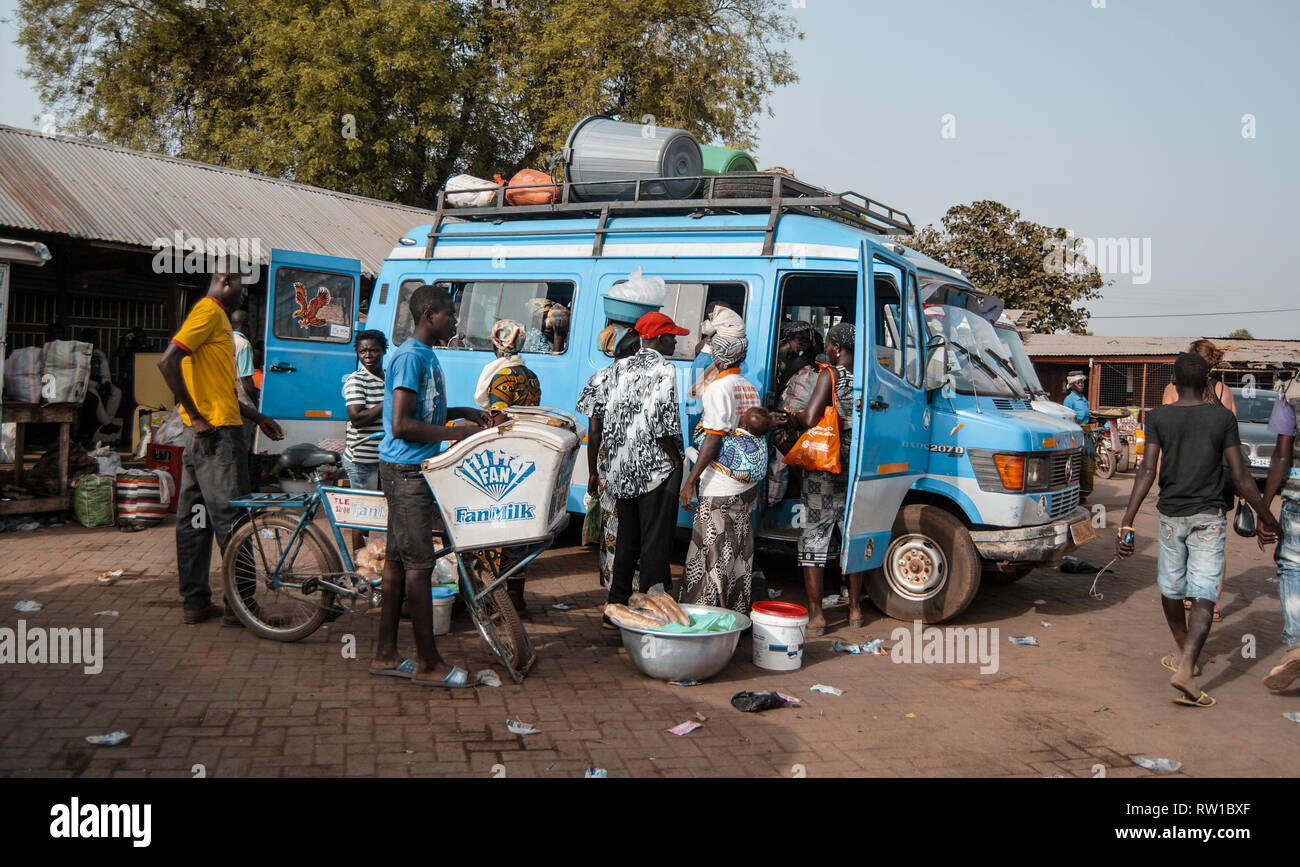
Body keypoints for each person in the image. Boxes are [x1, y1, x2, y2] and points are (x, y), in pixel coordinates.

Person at [1115, 352, 1278, 708]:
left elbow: (1146, 472)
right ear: (1208, 382)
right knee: (1204, 593)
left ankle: (1183, 654)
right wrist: (1267, 516)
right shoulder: (1222, 419)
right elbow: (1241, 476)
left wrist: (1126, 521)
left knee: (1171, 589)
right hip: (1209, 516)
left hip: (1171, 515)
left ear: (1173, 382)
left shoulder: (1159, 417)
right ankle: (1187, 666)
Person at [369, 284, 491, 687]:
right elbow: (403, 425)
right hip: (406, 473)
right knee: (419, 568)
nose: (455, 320)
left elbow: (425, 409)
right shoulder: (408, 357)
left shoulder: (425, 355)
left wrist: (459, 411)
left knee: (396, 564)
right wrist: (458, 434)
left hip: (409, 471)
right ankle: (428, 663)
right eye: (450, 314)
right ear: (429, 316)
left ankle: (386, 653)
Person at [158, 264, 285, 626]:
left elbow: (216, 388)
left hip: (203, 435)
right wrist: (196, 415)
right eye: (242, 286)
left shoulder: (214, 320)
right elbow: (167, 362)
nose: (245, 294)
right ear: (225, 280)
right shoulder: (209, 313)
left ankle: (196, 603)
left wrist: (255, 416)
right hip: (216, 436)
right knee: (234, 519)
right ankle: (240, 606)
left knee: (194, 521)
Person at [583, 310, 687, 625]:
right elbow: (664, 424)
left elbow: (594, 422)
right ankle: (650, 610)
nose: (674, 341)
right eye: (671, 336)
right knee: (655, 544)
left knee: (626, 542)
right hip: (655, 469)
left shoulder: (612, 370)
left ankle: (615, 607)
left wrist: (597, 467)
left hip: (618, 470)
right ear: (656, 337)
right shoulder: (665, 370)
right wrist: (678, 458)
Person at [678, 346, 779, 613]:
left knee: (711, 554)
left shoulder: (717, 388)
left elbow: (713, 440)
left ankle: (705, 616)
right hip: (747, 489)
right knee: (738, 555)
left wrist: (690, 481)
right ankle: (736, 614)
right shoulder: (749, 388)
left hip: (720, 488)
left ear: (718, 359)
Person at [795, 322, 863, 635]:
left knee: (815, 535)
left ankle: (818, 616)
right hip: (855, 465)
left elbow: (810, 417)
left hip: (826, 464)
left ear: (834, 347)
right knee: (851, 532)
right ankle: (854, 610)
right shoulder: (868, 378)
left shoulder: (830, 374)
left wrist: (792, 414)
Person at [1163, 339, 1237, 620]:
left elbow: (1164, 437)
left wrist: (1160, 476)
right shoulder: (1223, 391)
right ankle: (1211, 602)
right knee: (1212, 542)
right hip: (1215, 481)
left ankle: (1185, 596)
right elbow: (1233, 440)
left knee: (1179, 539)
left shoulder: (1173, 390)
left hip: (1181, 478)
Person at [472, 319, 541, 614]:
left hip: (502, 461)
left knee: (494, 529)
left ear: (496, 344)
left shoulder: (501, 378)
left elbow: (500, 420)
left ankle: (493, 600)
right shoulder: (531, 376)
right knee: (518, 531)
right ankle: (517, 598)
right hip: (524, 454)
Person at [578, 326, 643, 591]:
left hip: (609, 462)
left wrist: (592, 471)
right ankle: (637, 584)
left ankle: (613, 586)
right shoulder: (644, 378)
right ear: (631, 349)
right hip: (640, 460)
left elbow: (594, 433)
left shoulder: (599, 379)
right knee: (637, 523)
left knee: (612, 523)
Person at [1257, 383, 1300, 691]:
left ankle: (1297, 645)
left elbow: (1283, 454)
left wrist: (1265, 508)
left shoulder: (1294, 387)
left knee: (1293, 567)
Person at [766, 319, 824, 504]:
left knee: (783, 455)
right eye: (800, 339)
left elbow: (792, 404)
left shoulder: (802, 366)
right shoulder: (782, 357)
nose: (803, 344)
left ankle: (773, 498)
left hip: (787, 417)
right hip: (785, 415)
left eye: (806, 340)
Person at [342, 329, 387, 554]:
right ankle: (358, 564)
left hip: (385, 457)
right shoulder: (356, 380)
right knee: (362, 515)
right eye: (363, 351)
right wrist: (389, 402)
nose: (368, 355)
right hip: (362, 459)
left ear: (383, 351)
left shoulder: (389, 378)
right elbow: (357, 418)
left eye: (373, 350)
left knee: (380, 513)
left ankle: (373, 559)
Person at [229, 310, 259, 454]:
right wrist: (257, 406)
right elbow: (246, 380)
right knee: (242, 448)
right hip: (243, 404)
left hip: (228, 401)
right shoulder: (243, 344)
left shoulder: (225, 340)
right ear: (246, 325)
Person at [1063, 370, 1095, 502]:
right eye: (1078, 382)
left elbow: (1087, 418)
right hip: (1077, 437)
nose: (1082, 384)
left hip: (1087, 435)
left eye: (1082, 381)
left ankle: (1084, 493)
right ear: (1071, 384)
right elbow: (1067, 419)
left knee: (1089, 464)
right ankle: (1077, 495)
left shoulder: (1083, 399)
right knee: (1079, 464)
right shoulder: (1069, 400)